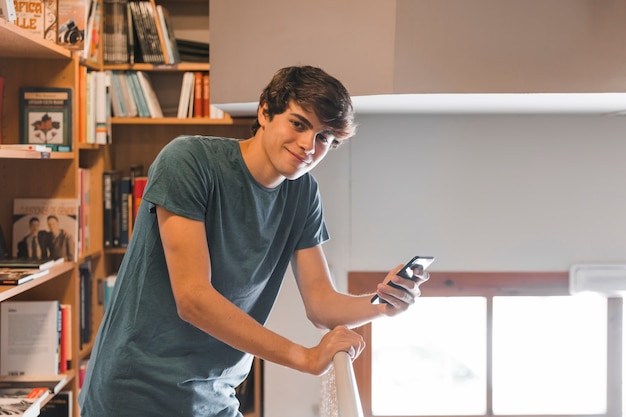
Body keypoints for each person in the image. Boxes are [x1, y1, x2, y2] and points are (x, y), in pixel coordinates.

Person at [78, 65, 429, 417]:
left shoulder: (303, 193)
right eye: (299, 123)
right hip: (134, 394)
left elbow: (321, 304)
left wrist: (383, 304)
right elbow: (193, 299)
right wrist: (304, 357)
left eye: (323, 137)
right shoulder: (188, 161)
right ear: (265, 112)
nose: (309, 145)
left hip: (215, 396)